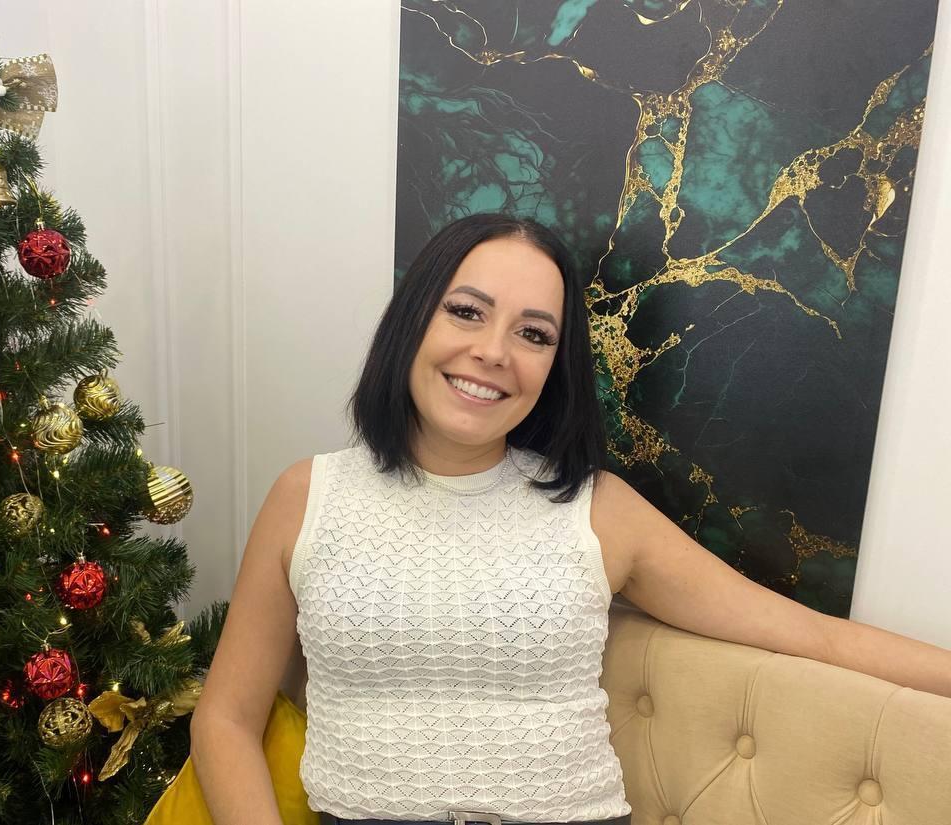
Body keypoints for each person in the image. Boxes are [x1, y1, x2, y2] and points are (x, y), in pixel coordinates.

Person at [189, 213, 951, 825]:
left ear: (554, 366)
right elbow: (225, 716)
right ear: (412, 321)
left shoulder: (597, 508)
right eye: (466, 311)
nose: (493, 352)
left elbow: (809, 633)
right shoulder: (308, 496)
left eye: (533, 334)